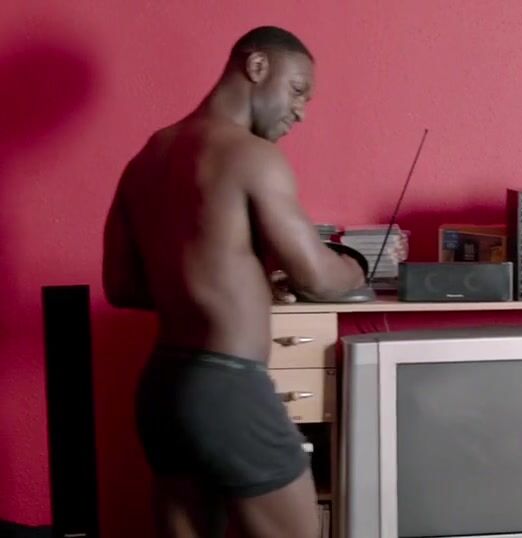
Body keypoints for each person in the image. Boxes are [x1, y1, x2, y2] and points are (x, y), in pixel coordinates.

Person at [102, 26, 367, 537]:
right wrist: (356, 268)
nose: (301, 112)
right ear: (257, 66)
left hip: (163, 387)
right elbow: (319, 278)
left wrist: (241, 284)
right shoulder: (251, 155)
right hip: (228, 391)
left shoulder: (149, 157)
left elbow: (123, 287)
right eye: (297, 90)